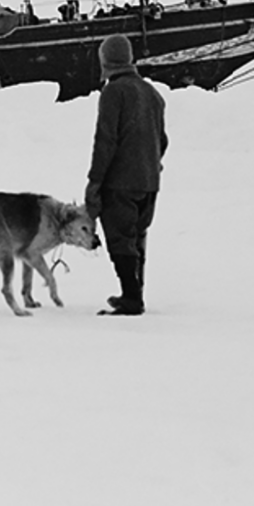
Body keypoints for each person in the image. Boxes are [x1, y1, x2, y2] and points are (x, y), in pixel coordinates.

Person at [84, 33, 168, 316]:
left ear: (105, 60)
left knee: (120, 239)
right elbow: (162, 140)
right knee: (137, 236)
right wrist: (150, 164)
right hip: (149, 181)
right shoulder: (152, 93)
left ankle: (131, 299)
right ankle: (135, 292)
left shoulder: (113, 92)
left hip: (120, 182)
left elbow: (105, 140)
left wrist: (95, 182)